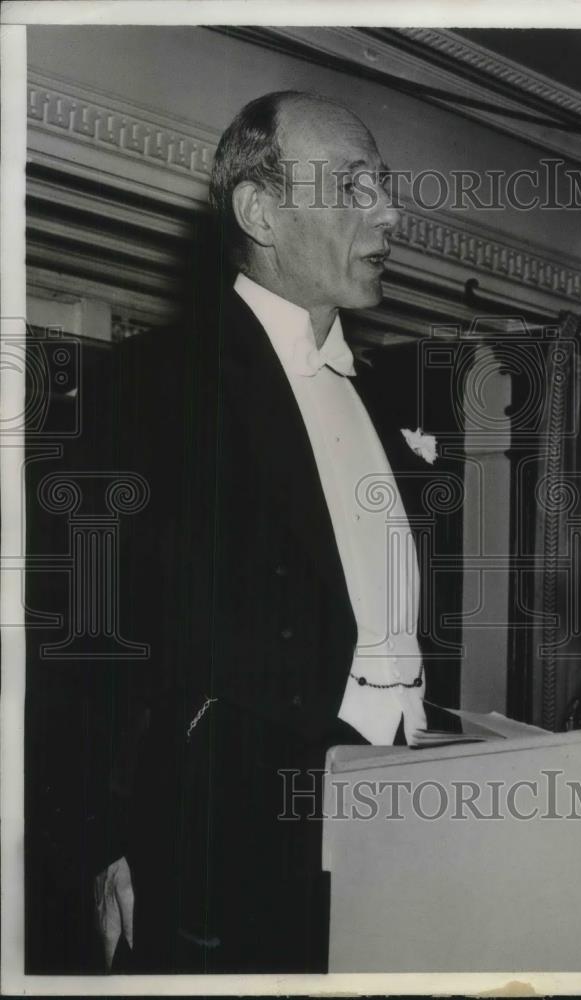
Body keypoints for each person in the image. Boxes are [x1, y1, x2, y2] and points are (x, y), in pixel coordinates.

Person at [94, 91, 432, 974]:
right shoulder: (154, 385)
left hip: (397, 832)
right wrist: (101, 842)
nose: (391, 213)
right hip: (224, 845)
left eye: (385, 186)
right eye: (355, 187)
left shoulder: (387, 400)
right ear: (260, 211)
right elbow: (83, 638)